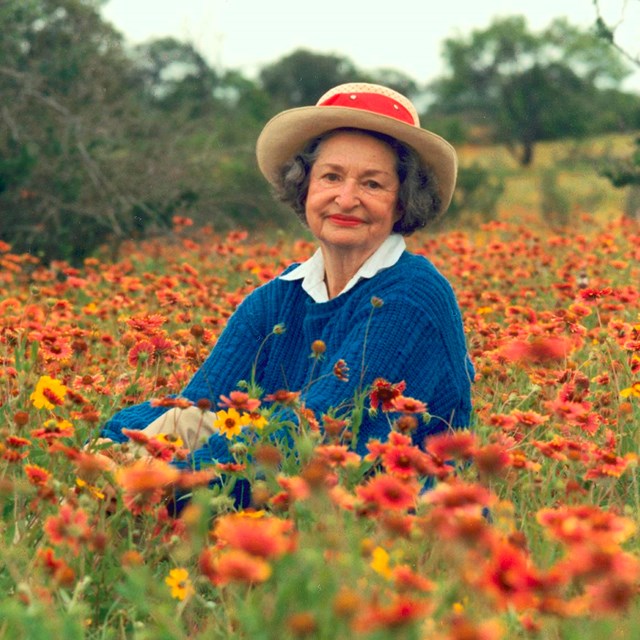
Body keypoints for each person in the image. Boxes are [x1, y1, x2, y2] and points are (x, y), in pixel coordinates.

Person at [97, 83, 474, 498]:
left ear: (402, 202)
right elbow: (200, 404)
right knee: (143, 444)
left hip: (391, 524)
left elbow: (318, 432)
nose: (345, 199)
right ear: (305, 187)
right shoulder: (276, 298)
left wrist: (176, 479)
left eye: (372, 184)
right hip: (274, 498)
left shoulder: (411, 296)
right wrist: (113, 445)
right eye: (331, 177)